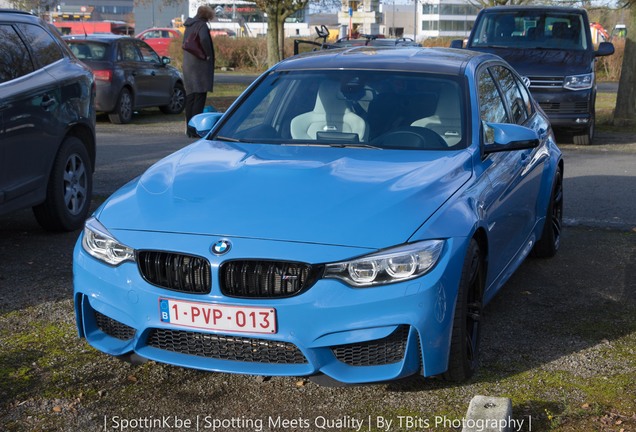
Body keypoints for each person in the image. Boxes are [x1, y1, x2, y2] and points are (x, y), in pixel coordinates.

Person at [182, 5, 215, 137]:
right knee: (199, 97)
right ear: (206, 16)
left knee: (190, 97)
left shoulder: (189, 25)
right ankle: (196, 129)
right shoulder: (201, 25)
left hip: (188, 65)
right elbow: (204, 40)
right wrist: (207, 54)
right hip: (200, 66)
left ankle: (189, 130)